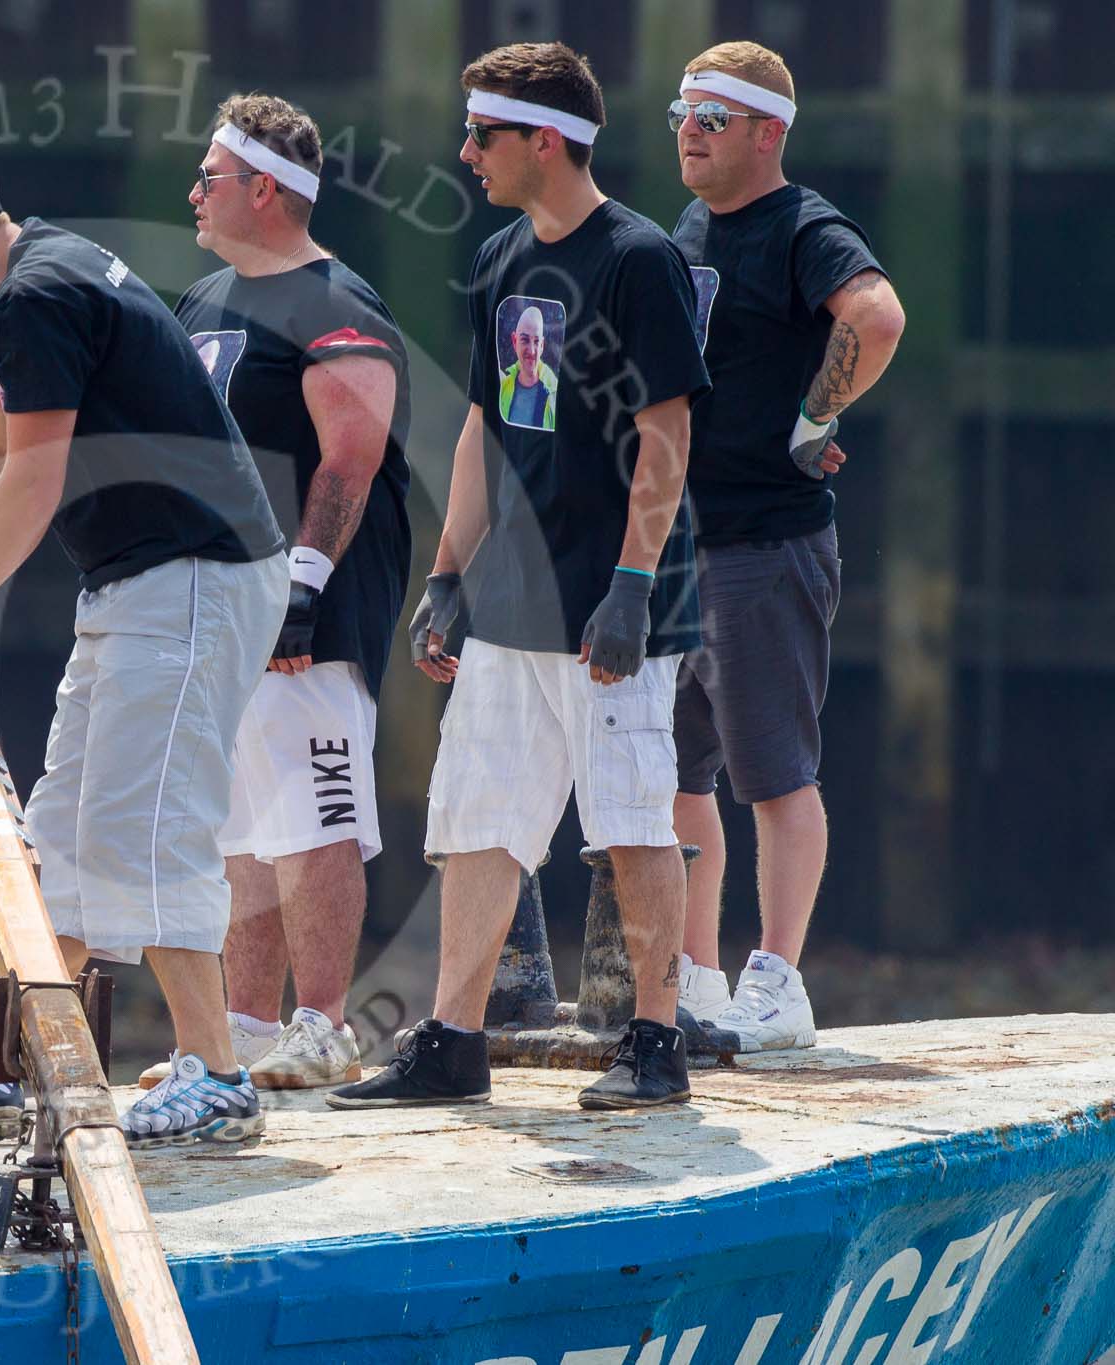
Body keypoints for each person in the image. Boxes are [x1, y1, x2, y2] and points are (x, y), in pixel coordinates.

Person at [0, 146, 289, 1150]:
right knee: (63, 836)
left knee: (148, 828)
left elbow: (36, 477)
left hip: (193, 576)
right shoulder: (19, 285)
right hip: (136, 581)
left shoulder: (38, 294)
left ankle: (218, 1077)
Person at [328, 42, 710, 1112]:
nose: (465, 154)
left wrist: (634, 583)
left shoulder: (636, 260)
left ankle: (653, 1039)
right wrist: (448, 574)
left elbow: (665, 430)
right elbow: (483, 431)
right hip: (510, 600)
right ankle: (451, 1041)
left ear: (544, 141)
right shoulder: (499, 258)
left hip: (610, 600)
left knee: (630, 818)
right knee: (476, 818)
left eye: (482, 136)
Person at [161, 91, 412, 1091]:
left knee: (316, 810)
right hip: (220, 599)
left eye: (209, 178)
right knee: (239, 828)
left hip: (311, 603)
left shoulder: (333, 303)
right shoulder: (202, 303)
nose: (192, 192)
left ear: (262, 189)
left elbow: (349, 457)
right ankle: (244, 1027)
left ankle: (322, 1026)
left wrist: (301, 587)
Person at [666, 43, 905, 1050]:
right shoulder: (687, 227)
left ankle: (777, 982)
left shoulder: (802, 226)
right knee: (674, 776)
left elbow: (875, 315)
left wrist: (815, 416)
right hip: (677, 547)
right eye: (680, 112)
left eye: (712, 117)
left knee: (772, 773)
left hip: (764, 544)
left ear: (767, 132)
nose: (688, 130)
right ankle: (689, 980)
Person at [499, 305, 557, 430]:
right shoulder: (501, 387)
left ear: (542, 346)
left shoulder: (555, 396)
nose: (531, 351)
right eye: (525, 340)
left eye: (536, 342)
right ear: (514, 341)